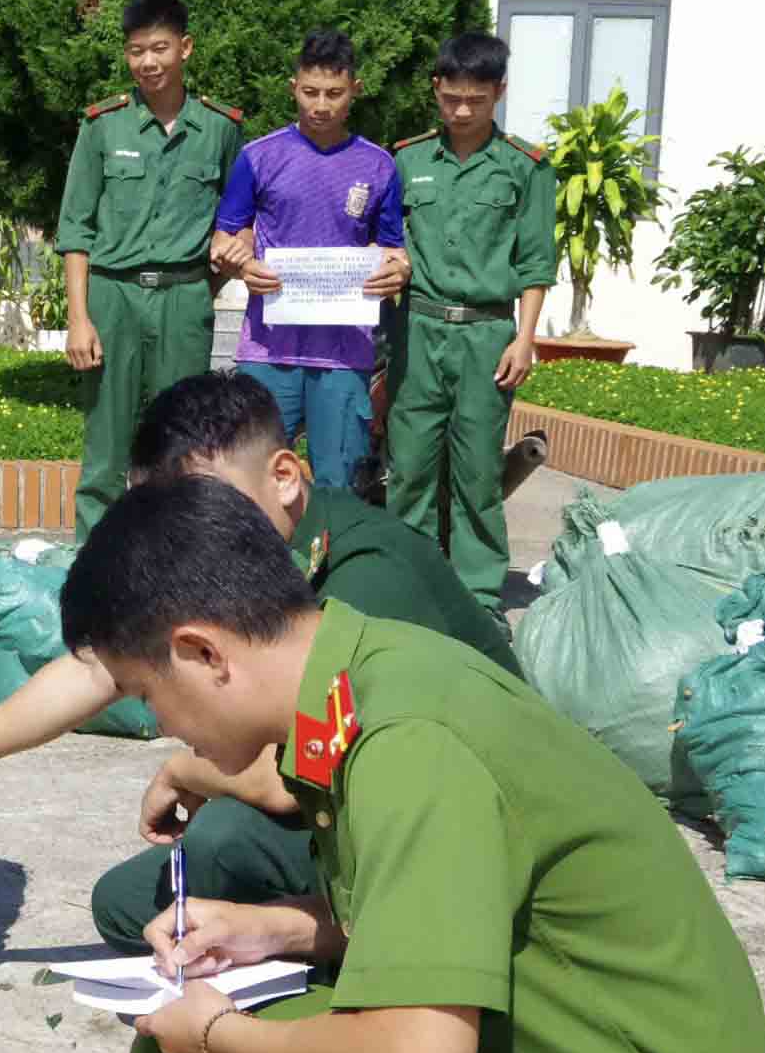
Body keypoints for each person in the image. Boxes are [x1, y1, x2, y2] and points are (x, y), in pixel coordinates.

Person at [70, 477, 765, 1053]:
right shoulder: (354, 675)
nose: (159, 724)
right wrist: (273, 928)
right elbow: (437, 906)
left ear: (202, 653)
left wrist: (221, 1034)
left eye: (147, 693)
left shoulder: (403, 737)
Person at [81, 370, 523, 956]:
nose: (190, 534)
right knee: (128, 904)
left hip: (470, 825)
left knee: (220, 841)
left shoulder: (366, 573)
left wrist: (183, 772)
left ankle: (315, 942)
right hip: (362, 798)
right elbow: (99, 666)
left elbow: (296, 776)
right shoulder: (279, 549)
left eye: (207, 505)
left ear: (284, 477)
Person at [56, 0, 244, 543]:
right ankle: (97, 566)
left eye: (160, 48)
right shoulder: (103, 126)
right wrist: (78, 317)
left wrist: (204, 281)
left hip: (185, 299)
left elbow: (239, 217)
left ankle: (175, 561)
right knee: (106, 450)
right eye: (137, 51)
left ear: (185, 48)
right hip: (112, 298)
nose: (148, 63)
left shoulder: (221, 129)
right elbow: (75, 229)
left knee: (182, 445)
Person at [387, 32, 557, 618]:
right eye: (452, 98)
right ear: (437, 88)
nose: (462, 112)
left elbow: (536, 262)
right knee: (408, 468)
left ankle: (479, 594)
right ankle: (405, 583)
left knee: (478, 472)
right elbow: (385, 243)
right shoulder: (406, 160)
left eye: (477, 101)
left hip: (487, 335)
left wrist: (525, 338)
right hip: (418, 331)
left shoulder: (525, 169)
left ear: (499, 93)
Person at [209, 30, 409, 490]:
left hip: (344, 354)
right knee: (252, 476)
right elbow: (225, 237)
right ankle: (255, 564)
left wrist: (398, 270)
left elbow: (393, 249)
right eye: (310, 92)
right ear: (292, 87)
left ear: (355, 90)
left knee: (339, 482)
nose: (321, 105)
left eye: (334, 94)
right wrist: (241, 263)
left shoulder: (378, 166)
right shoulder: (259, 156)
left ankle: (331, 564)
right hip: (268, 347)